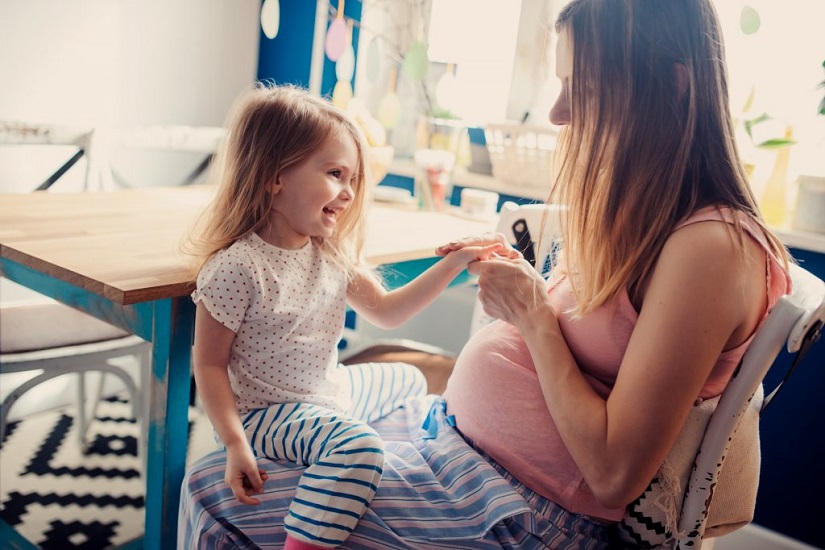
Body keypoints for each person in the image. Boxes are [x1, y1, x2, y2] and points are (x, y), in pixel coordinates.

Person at [179, 1, 791, 548]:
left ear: (672, 87)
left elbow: (612, 475)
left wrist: (533, 315)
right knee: (307, 435)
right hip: (460, 454)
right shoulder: (658, 221)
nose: (557, 113)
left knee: (212, 488)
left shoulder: (713, 250)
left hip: (513, 513)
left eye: (582, 87)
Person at [185, 83, 503, 550]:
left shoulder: (329, 255)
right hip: (268, 414)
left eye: (353, 180)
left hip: (330, 391)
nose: (349, 192)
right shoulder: (238, 268)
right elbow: (209, 365)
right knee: (359, 446)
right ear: (274, 175)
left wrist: (454, 262)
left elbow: (389, 313)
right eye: (336, 173)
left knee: (412, 380)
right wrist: (235, 443)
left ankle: (406, 462)